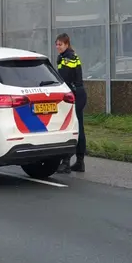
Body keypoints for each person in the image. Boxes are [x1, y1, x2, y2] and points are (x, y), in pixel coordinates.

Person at [55, 33, 87, 173]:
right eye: (56, 44)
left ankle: (66, 162)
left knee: (72, 128)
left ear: (67, 44)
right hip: (77, 93)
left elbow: (65, 77)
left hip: (74, 94)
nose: (58, 47)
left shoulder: (68, 57)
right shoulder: (69, 55)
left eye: (60, 44)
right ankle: (79, 162)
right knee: (77, 127)